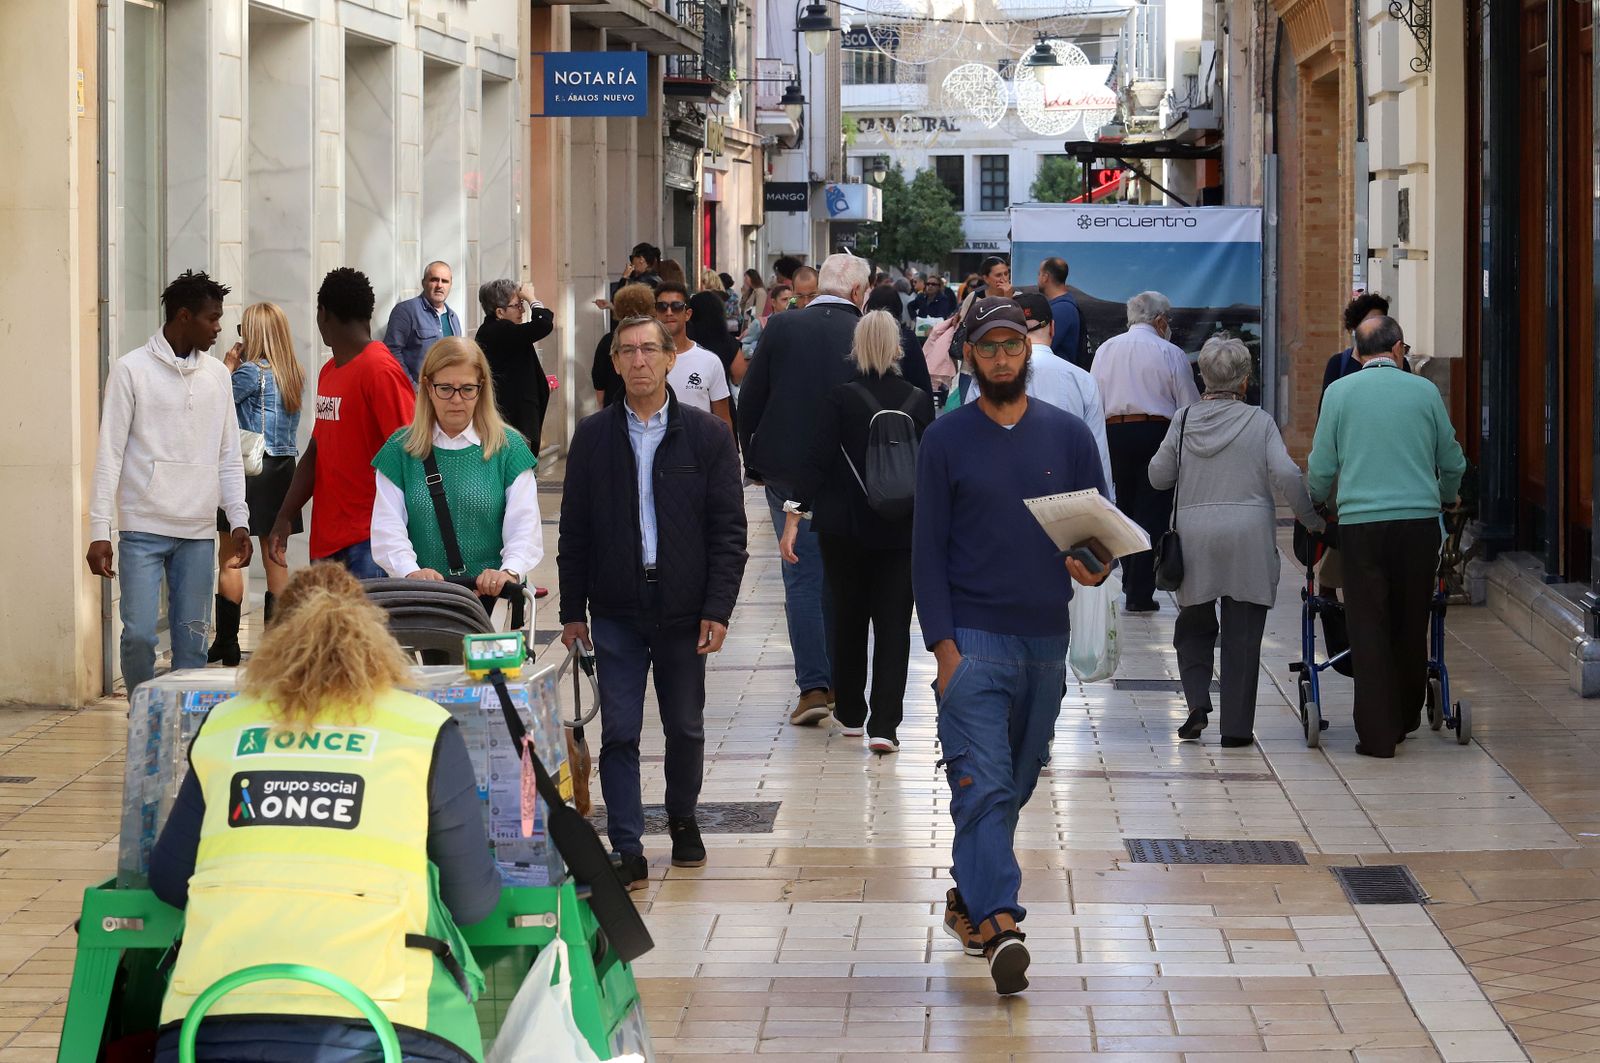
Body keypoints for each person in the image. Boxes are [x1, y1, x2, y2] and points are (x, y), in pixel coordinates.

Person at [148, 563, 499, 1063]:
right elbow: (472, 904)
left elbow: (168, 878)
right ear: (375, 637)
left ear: (275, 643)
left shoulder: (226, 724)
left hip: (209, 1021)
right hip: (388, 1025)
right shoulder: (421, 728)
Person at [913, 296, 1110, 995]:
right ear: (969, 356)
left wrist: (1099, 562)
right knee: (985, 781)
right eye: (988, 348)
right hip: (972, 639)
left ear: (1028, 352)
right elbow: (925, 549)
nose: (1001, 359)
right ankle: (1002, 920)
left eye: (1012, 347)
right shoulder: (944, 439)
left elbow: (1098, 532)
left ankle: (968, 897)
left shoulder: (1066, 436)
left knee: (1015, 783)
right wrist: (944, 650)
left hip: (1043, 643)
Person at [558, 315, 748, 890]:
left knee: (684, 727)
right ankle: (627, 844)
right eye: (627, 351)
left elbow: (728, 531)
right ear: (614, 363)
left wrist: (718, 607)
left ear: (670, 359)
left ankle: (684, 819)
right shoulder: (592, 438)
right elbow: (574, 531)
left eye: (649, 350)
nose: (638, 360)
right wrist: (572, 613)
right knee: (619, 730)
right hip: (615, 610)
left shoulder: (708, 436)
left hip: (684, 610)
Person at [1148, 336, 1324, 747]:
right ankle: (1237, 730)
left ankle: (1195, 702)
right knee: (1243, 635)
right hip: (1247, 536)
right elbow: (1286, 474)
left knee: (1193, 625)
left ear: (1201, 376)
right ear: (1245, 380)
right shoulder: (1259, 422)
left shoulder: (1184, 419)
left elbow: (1158, 477)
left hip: (1194, 539)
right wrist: (1312, 519)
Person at [1308, 316, 1467, 758]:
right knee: (1410, 619)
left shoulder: (1338, 393)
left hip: (1360, 527)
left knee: (1368, 624)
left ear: (1358, 353)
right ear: (1398, 349)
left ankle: (1377, 735)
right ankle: (1404, 716)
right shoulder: (1424, 392)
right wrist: (1444, 497)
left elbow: (1321, 467)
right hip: (1418, 525)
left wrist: (1319, 505)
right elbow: (1452, 460)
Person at [87, 270, 252, 694]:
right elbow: (109, 454)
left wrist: (239, 521)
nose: (219, 328)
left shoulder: (217, 375)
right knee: (140, 635)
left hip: (196, 531)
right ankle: (143, 713)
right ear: (183, 317)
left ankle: (184, 731)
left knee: (192, 648)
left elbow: (229, 456)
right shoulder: (130, 370)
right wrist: (99, 529)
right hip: (142, 528)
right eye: (212, 318)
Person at [777, 311, 933, 753]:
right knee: (894, 625)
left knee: (847, 620)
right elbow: (931, 467)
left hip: (843, 529)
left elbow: (817, 462)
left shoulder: (840, 398)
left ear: (857, 347)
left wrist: (793, 520)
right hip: (903, 529)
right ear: (899, 349)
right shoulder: (920, 401)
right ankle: (885, 725)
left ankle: (850, 713)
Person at [740, 253, 873, 726]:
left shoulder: (781, 327)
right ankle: (842, 679)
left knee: (800, 575)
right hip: (850, 474)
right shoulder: (867, 333)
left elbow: (751, 398)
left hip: (787, 472)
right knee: (843, 575)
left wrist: (750, 459)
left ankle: (814, 686)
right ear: (858, 292)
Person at [371, 337, 542, 611]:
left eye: (467, 389)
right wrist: (411, 572)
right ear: (428, 387)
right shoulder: (400, 450)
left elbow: (525, 526)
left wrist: (508, 571)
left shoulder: (508, 448)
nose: (456, 399)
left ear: (481, 388)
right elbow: (387, 528)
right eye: (446, 388)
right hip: (426, 601)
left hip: (493, 602)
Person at [269, 268, 416, 579]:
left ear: (323, 315)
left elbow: (412, 455)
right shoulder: (329, 371)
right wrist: (285, 514)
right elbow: (317, 449)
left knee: (364, 629)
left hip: (369, 543)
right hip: (327, 542)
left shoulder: (380, 370)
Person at [205, 302, 306, 666]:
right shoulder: (294, 373)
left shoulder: (251, 373)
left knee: (232, 557)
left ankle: (228, 643)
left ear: (254, 335)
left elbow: (213, 404)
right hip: (284, 470)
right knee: (276, 556)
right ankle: (277, 648)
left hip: (250, 470)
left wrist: (227, 366)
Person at [1091, 291, 1201, 613]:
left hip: (1115, 432)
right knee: (1152, 510)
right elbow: (1189, 406)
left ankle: (1130, 579)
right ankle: (1139, 589)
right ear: (1160, 319)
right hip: (1157, 433)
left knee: (1124, 507)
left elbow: (1095, 398)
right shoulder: (1171, 352)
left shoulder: (1105, 350)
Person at [963, 293, 1112, 499]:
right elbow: (1099, 456)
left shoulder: (987, 377)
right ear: (1052, 327)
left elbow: (969, 441)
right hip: (1068, 507)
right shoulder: (1082, 380)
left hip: (997, 498)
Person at [475, 278, 556, 447]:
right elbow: (543, 324)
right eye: (517, 305)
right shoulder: (499, 330)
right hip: (514, 418)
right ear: (499, 312)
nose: (522, 310)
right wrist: (532, 298)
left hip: (516, 415)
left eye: (522, 304)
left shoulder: (499, 330)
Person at [654, 280, 733, 431]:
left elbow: (723, 420)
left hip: (700, 451)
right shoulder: (643, 360)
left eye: (676, 307)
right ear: (655, 313)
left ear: (687, 314)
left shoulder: (710, 361)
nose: (669, 312)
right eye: (662, 307)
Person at [1321, 292, 1411, 401]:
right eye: (1370, 322)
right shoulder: (1338, 363)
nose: (1377, 328)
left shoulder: (1399, 361)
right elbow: (1327, 407)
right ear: (1356, 326)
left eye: (1381, 321)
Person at [383, 261, 460, 384]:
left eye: (445, 281)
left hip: (445, 394)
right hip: (416, 397)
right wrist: (412, 389)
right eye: (434, 280)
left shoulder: (453, 318)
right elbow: (392, 352)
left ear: (450, 285)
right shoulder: (406, 311)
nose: (439, 285)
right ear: (423, 283)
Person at [863, 285, 937, 410]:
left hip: (863, 404)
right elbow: (921, 379)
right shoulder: (906, 337)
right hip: (902, 409)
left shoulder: (862, 336)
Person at [592, 282, 658, 408]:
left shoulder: (608, 340)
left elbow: (599, 379)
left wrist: (602, 407)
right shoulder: (657, 339)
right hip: (651, 405)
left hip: (614, 406)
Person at [1037, 257, 1086, 369]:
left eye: (1039, 274)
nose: (1038, 278)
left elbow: (1043, 348)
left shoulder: (1061, 309)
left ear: (1045, 277)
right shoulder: (1063, 306)